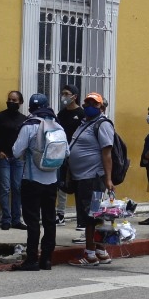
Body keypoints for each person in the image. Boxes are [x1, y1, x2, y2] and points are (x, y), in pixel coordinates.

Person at [65, 91, 115, 267]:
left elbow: (107, 153)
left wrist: (108, 179)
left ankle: (90, 255)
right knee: (96, 215)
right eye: (87, 103)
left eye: (94, 104)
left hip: (92, 178)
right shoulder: (85, 122)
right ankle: (101, 251)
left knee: (90, 216)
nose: (90, 107)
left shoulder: (102, 124)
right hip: (83, 177)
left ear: (101, 107)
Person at [10, 93, 60, 271]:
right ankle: (47, 259)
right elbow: (66, 152)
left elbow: (16, 151)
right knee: (49, 220)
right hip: (52, 180)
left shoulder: (29, 126)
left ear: (31, 108)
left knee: (32, 221)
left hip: (32, 180)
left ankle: (32, 259)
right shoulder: (57, 125)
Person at [0, 90, 27, 231]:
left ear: (20, 103)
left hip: (18, 159)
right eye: (9, 99)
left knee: (17, 189)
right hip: (3, 158)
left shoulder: (24, 119)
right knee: (5, 188)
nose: (11, 102)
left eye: (14, 100)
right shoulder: (0, 117)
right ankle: (6, 219)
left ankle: (17, 219)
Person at [55, 84, 86, 224]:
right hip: (62, 153)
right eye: (62, 93)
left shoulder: (82, 114)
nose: (64, 96)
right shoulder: (61, 114)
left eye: (66, 93)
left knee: (80, 185)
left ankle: (83, 216)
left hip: (78, 155)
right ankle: (60, 214)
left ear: (74, 96)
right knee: (62, 183)